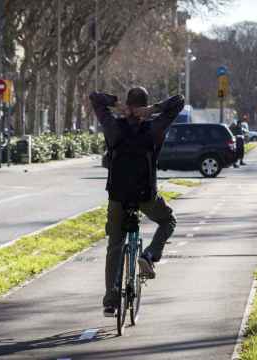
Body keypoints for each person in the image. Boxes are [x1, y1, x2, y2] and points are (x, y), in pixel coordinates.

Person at [90, 87, 185, 318]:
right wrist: (153, 110)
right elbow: (179, 101)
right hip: (146, 195)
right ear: (144, 106)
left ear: (128, 105)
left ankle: (111, 300)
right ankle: (149, 255)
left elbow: (95, 98)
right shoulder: (154, 128)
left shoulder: (113, 127)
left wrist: (116, 104)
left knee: (115, 243)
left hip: (118, 196)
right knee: (168, 220)